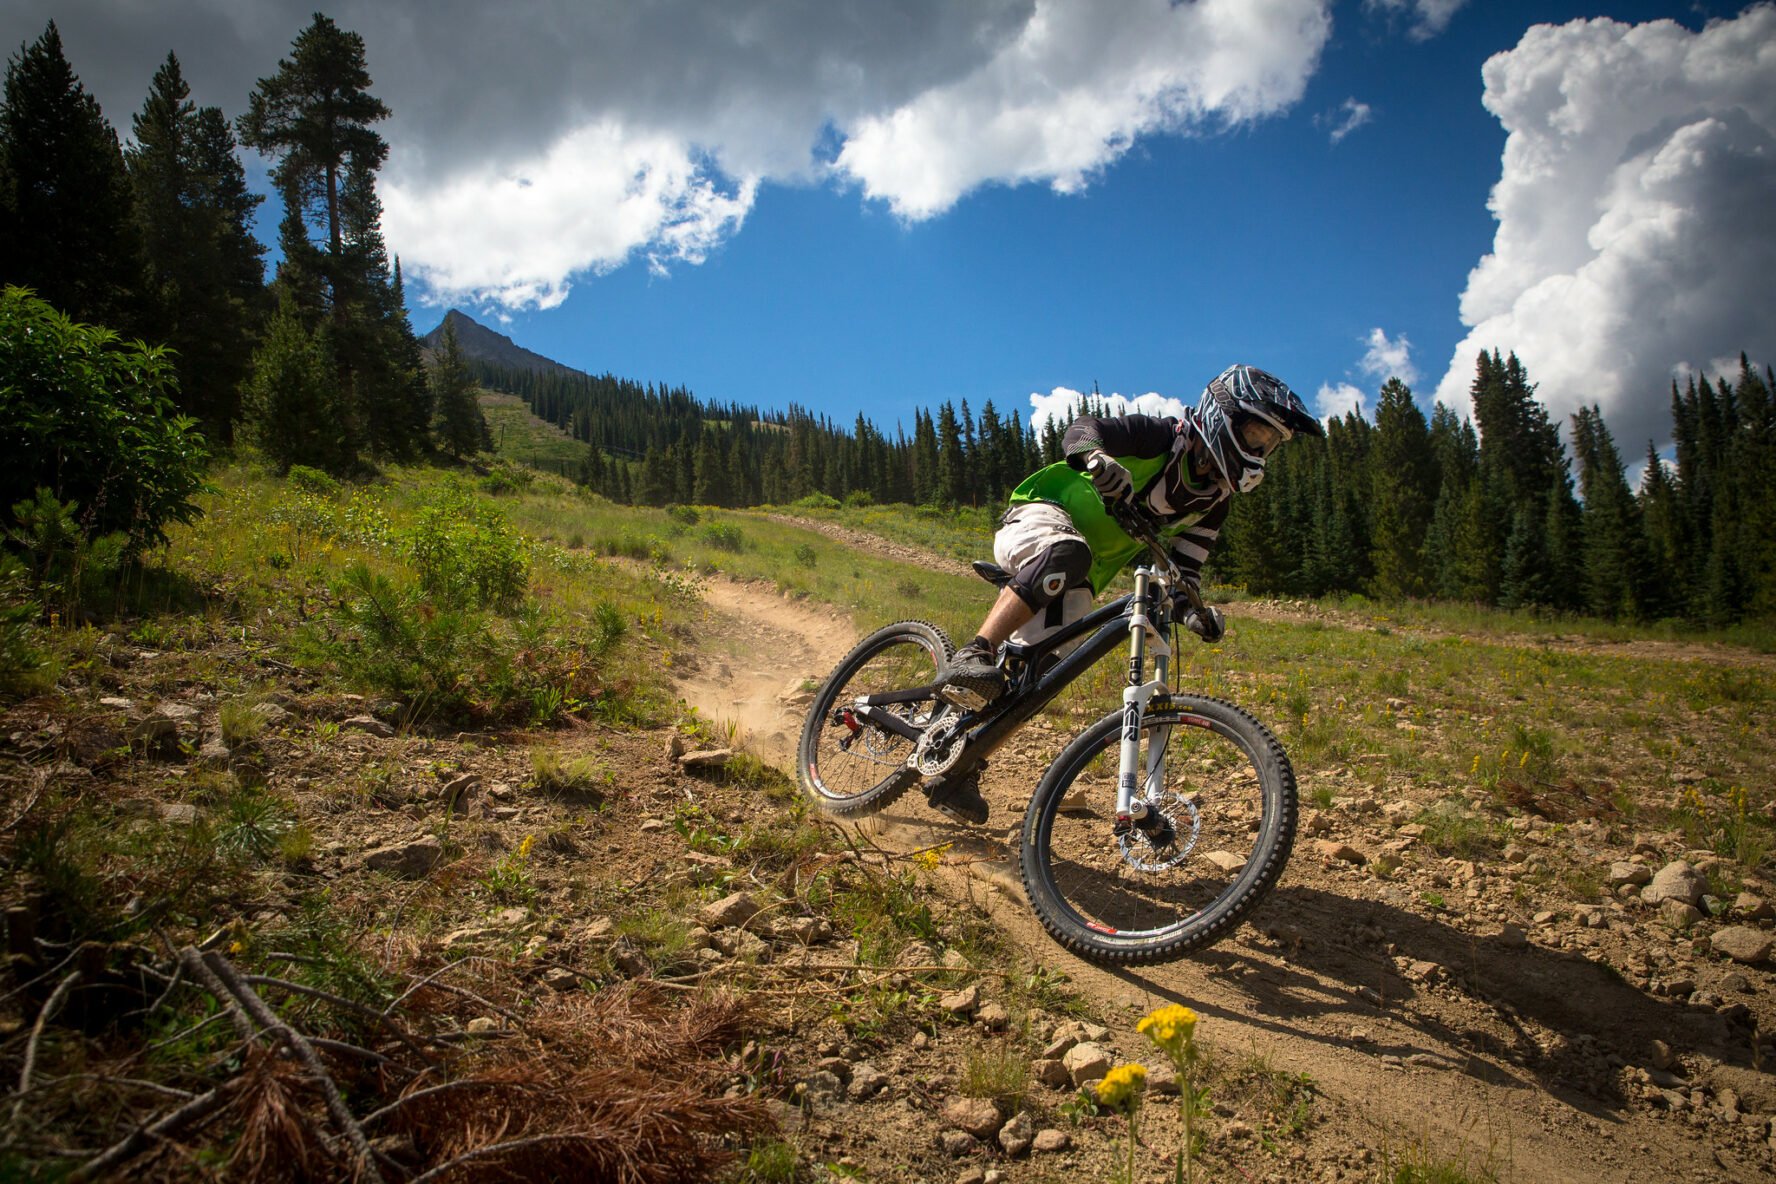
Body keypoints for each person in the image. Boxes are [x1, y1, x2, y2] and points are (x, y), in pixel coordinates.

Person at [925, 365, 1325, 824]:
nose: (1260, 451)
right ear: (1224, 418)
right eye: (1257, 435)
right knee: (1068, 551)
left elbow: (1183, 572)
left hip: (1080, 575)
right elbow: (1082, 430)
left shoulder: (1215, 501)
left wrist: (1194, 614)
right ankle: (976, 651)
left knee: (1039, 677)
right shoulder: (1162, 438)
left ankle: (959, 766)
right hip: (1040, 517)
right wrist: (1097, 459)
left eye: (1269, 445)